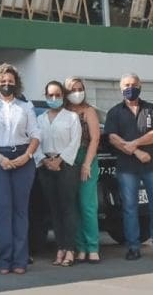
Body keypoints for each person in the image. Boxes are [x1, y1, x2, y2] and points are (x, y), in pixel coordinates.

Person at [0, 63, 40, 275]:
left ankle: (20, 259)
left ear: (16, 83)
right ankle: (4, 259)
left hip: (23, 158)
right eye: (3, 81)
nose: (7, 84)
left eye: (10, 81)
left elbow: (36, 135)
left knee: (20, 210)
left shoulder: (26, 107)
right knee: (2, 210)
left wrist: (26, 156)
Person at [103, 73, 153, 261]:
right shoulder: (114, 112)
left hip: (152, 166)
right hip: (127, 168)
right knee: (129, 208)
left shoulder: (151, 109)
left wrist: (134, 143)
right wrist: (137, 152)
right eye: (126, 85)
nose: (130, 88)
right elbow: (112, 138)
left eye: (133, 84)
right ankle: (133, 247)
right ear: (120, 88)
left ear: (140, 86)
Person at [34, 80, 82, 268]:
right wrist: (44, 160)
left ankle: (70, 249)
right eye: (50, 95)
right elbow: (34, 142)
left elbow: (75, 142)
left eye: (57, 95)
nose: (54, 98)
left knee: (67, 208)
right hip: (45, 165)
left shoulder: (71, 117)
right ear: (46, 96)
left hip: (66, 165)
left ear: (63, 96)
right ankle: (60, 248)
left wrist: (59, 160)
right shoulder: (40, 119)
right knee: (54, 209)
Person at [64, 76, 102, 264]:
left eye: (80, 89)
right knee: (74, 205)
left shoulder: (89, 111)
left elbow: (95, 139)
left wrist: (87, 164)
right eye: (73, 90)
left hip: (86, 157)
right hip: (68, 159)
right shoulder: (63, 112)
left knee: (87, 205)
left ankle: (92, 247)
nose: (77, 93)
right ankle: (80, 248)